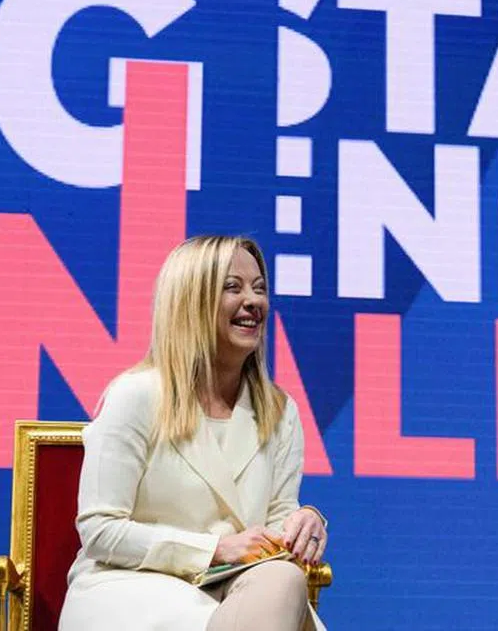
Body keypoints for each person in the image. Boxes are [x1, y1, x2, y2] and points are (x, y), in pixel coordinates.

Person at [60, 235, 329, 631]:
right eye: (233, 287)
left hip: (233, 589)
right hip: (133, 587)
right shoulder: (136, 395)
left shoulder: (279, 410)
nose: (253, 301)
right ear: (191, 301)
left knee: (284, 578)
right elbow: (100, 530)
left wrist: (300, 523)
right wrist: (213, 549)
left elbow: (272, 529)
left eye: (259, 288)